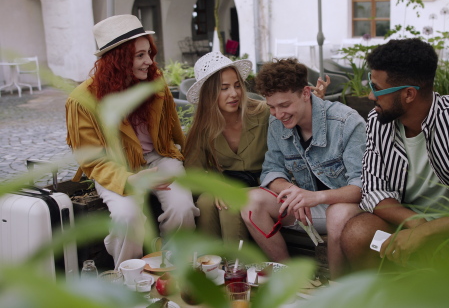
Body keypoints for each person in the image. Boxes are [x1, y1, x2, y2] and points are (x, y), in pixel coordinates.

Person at [340, 38, 449, 269]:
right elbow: (373, 190)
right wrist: (416, 224)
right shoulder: (379, 122)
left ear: (409, 94)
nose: (370, 96)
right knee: (359, 232)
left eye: (377, 89)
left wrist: (429, 231)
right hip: (407, 225)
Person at [65, 15, 199, 268]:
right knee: (127, 218)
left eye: (149, 53)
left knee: (182, 208)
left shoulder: (156, 84)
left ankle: (173, 267)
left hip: (159, 158)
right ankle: (128, 276)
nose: (149, 61)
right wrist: (128, 180)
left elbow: (173, 133)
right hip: (116, 167)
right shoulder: (82, 100)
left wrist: (189, 162)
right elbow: (91, 159)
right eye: (140, 56)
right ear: (118, 59)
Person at [240, 58, 366, 279]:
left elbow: (363, 187)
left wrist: (314, 197)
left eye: (284, 105)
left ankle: (335, 290)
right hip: (309, 209)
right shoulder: (277, 123)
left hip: (349, 208)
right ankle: (289, 280)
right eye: (272, 107)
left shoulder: (347, 122)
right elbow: (271, 170)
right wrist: (293, 192)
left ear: (306, 93)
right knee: (249, 202)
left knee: (336, 213)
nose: (278, 114)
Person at [183, 52, 330, 243]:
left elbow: (296, 123)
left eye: (237, 85)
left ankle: (239, 267)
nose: (234, 93)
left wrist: (310, 102)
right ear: (209, 93)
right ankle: (208, 264)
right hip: (227, 183)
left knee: (231, 205)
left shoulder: (263, 113)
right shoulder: (202, 126)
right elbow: (192, 172)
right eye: (224, 88)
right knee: (205, 200)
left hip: (265, 184)